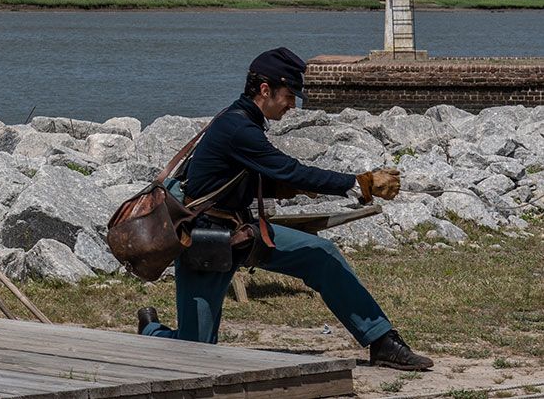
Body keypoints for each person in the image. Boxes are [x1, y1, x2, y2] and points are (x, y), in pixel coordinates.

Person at [136, 47, 432, 371]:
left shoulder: (242, 120)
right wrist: (359, 183)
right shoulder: (239, 129)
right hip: (206, 242)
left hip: (240, 233)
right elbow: (288, 169)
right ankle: (150, 329)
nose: (293, 105)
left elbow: (262, 176)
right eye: (290, 95)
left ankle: (383, 341)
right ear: (266, 90)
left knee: (321, 255)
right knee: (196, 350)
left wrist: (301, 185)